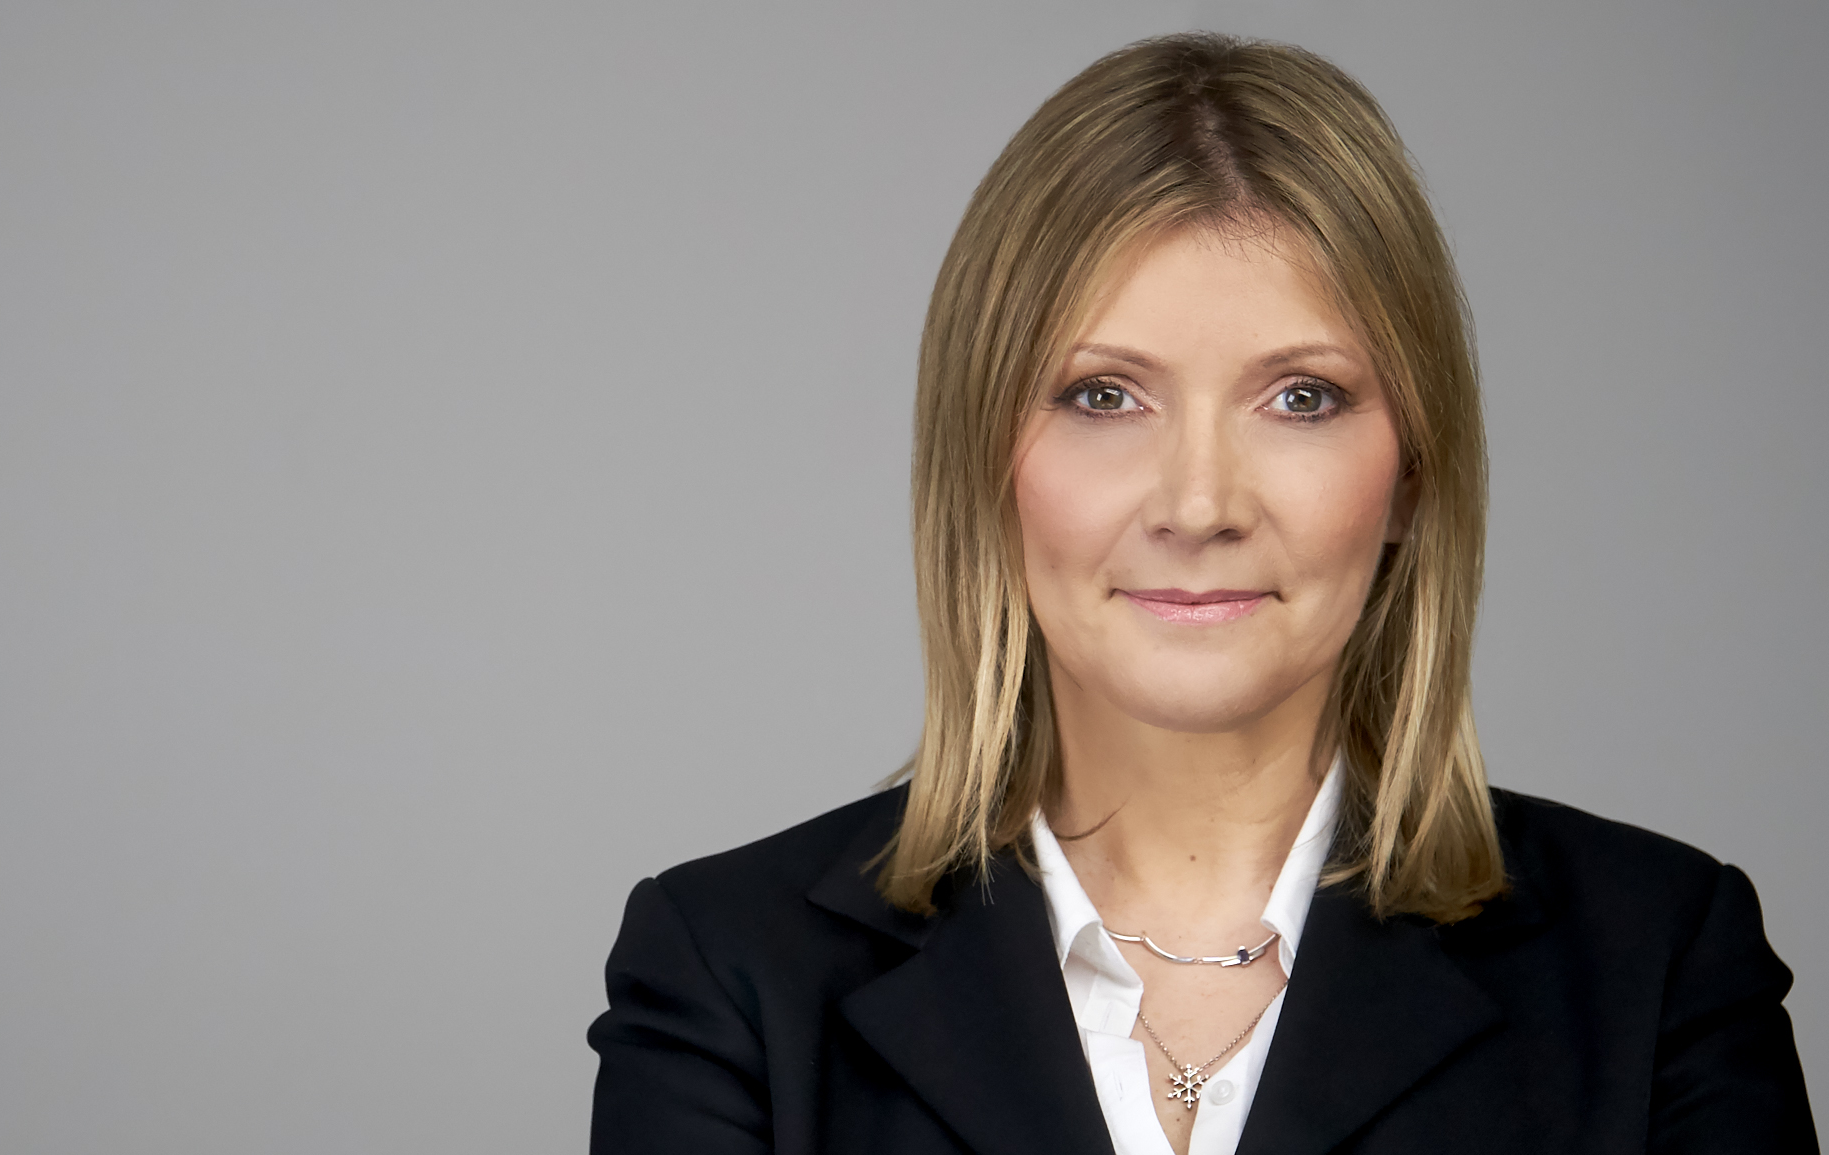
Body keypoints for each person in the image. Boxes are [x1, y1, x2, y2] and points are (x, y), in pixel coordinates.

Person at [586, 32, 1816, 1155]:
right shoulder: (729, 974)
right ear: (983, 466)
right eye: (1103, 396)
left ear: (1411, 476)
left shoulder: (1659, 965)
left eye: (1300, 398)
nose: (1197, 503)